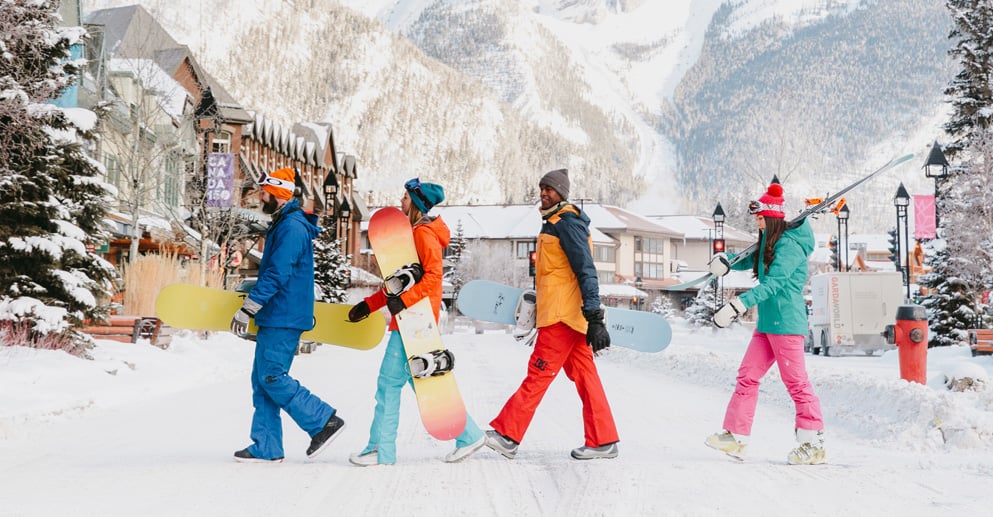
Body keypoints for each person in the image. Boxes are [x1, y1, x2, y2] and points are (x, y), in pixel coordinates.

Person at [346, 178, 485, 466]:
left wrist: (404, 302)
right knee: (423, 383)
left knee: (388, 384)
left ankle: (380, 450)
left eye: (406, 199)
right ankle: (468, 435)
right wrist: (369, 305)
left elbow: (434, 277)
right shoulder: (414, 234)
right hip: (411, 320)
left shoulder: (423, 235)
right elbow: (398, 284)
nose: (401, 203)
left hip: (414, 322)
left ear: (417, 204)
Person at [485, 168, 619, 461]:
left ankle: (507, 435)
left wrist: (595, 316)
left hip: (562, 318)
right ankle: (603, 440)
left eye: (551, 189)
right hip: (565, 315)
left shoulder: (567, 224)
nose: (544, 193)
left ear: (562, 194)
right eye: (542, 187)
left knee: (538, 374)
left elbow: (586, 270)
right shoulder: (554, 223)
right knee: (586, 377)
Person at [705, 182, 826, 465]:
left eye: (760, 219)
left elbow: (772, 285)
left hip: (786, 323)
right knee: (747, 375)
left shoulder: (790, 247)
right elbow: (752, 260)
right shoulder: (769, 243)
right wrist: (728, 263)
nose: (757, 223)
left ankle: (813, 443)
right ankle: (735, 435)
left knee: (796, 383)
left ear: (771, 218)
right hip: (767, 324)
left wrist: (737, 305)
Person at [229, 167, 345, 463]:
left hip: (285, 315)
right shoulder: (283, 223)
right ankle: (267, 445)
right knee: (262, 379)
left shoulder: (292, 227)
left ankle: (323, 421)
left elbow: (279, 273)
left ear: (278, 194)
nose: (260, 197)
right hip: (276, 314)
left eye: (264, 192)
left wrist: (248, 308)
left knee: (271, 376)